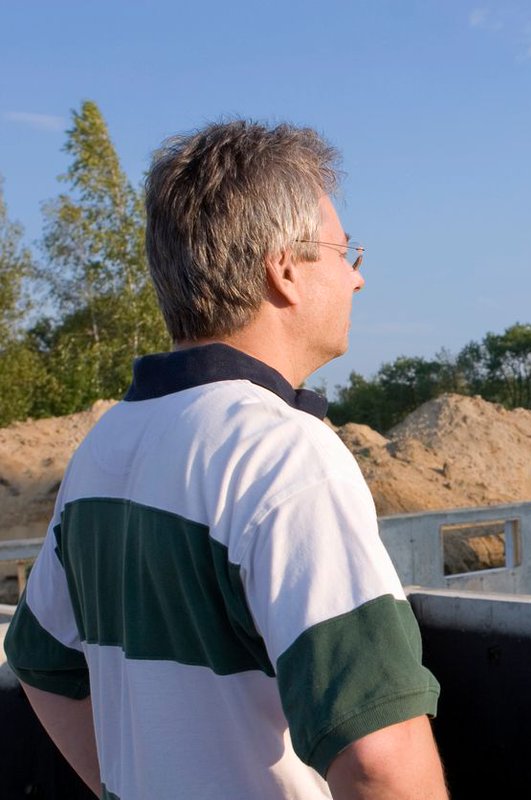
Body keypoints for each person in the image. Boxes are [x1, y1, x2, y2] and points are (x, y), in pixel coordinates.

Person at [3, 121, 447, 799]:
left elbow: (41, 663)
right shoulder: (284, 454)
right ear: (284, 269)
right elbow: (380, 761)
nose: (356, 279)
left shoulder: (105, 447)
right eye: (342, 251)